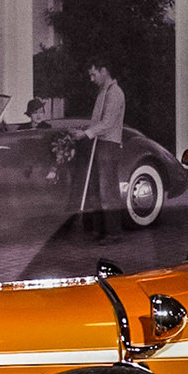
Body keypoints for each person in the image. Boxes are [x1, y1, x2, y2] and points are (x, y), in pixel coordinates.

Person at [78, 61, 126, 241]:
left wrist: (85, 134)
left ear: (104, 71)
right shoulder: (103, 92)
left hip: (109, 144)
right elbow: (97, 120)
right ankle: (100, 230)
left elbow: (107, 123)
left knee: (108, 190)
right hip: (99, 143)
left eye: (94, 74)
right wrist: (86, 130)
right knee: (97, 189)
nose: (92, 79)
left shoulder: (115, 94)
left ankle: (114, 233)